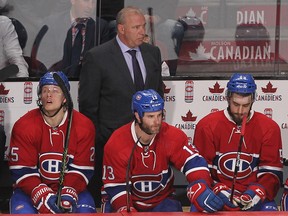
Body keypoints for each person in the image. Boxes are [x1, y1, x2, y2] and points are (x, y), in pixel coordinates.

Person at [79, 6, 164, 207]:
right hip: (110, 141)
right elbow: (88, 105)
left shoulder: (153, 53)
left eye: (143, 26)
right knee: (112, 202)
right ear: (121, 29)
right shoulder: (97, 56)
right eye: (136, 27)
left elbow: (158, 93)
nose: (143, 31)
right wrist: (102, 138)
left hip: (146, 141)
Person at [102, 89, 224, 213]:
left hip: (161, 200)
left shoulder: (171, 135)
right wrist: (124, 206)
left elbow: (193, 161)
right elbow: (114, 185)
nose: (157, 122)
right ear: (137, 115)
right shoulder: (117, 143)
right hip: (127, 200)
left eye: (159, 115)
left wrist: (199, 184)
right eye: (150, 116)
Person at [8, 71, 96, 213]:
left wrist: (67, 193)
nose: (49, 94)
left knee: (86, 212)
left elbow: (83, 168)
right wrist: (42, 195)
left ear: (65, 98)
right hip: (30, 191)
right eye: (45, 90)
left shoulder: (83, 125)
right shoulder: (24, 125)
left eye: (55, 90)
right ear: (40, 96)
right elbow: (22, 170)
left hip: (72, 188)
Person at [193, 73, 283, 211]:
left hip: (253, 198)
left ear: (253, 100)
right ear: (228, 98)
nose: (240, 111)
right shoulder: (206, 126)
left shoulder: (270, 128)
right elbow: (201, 171)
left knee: (269, 212)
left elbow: (271, 173)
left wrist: (255, 193)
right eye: (236, 104)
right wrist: (218, 189)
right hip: (217, 195)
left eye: (246, 105)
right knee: (198, 208)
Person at [37, 0, 110, 71]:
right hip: (57, 78)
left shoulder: (101, 27)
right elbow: (44, 60)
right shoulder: (52, 23)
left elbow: (103, 61)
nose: (90, 6)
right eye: (86, 1)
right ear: (73, 1)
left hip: (87, 79)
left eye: (93, 2)